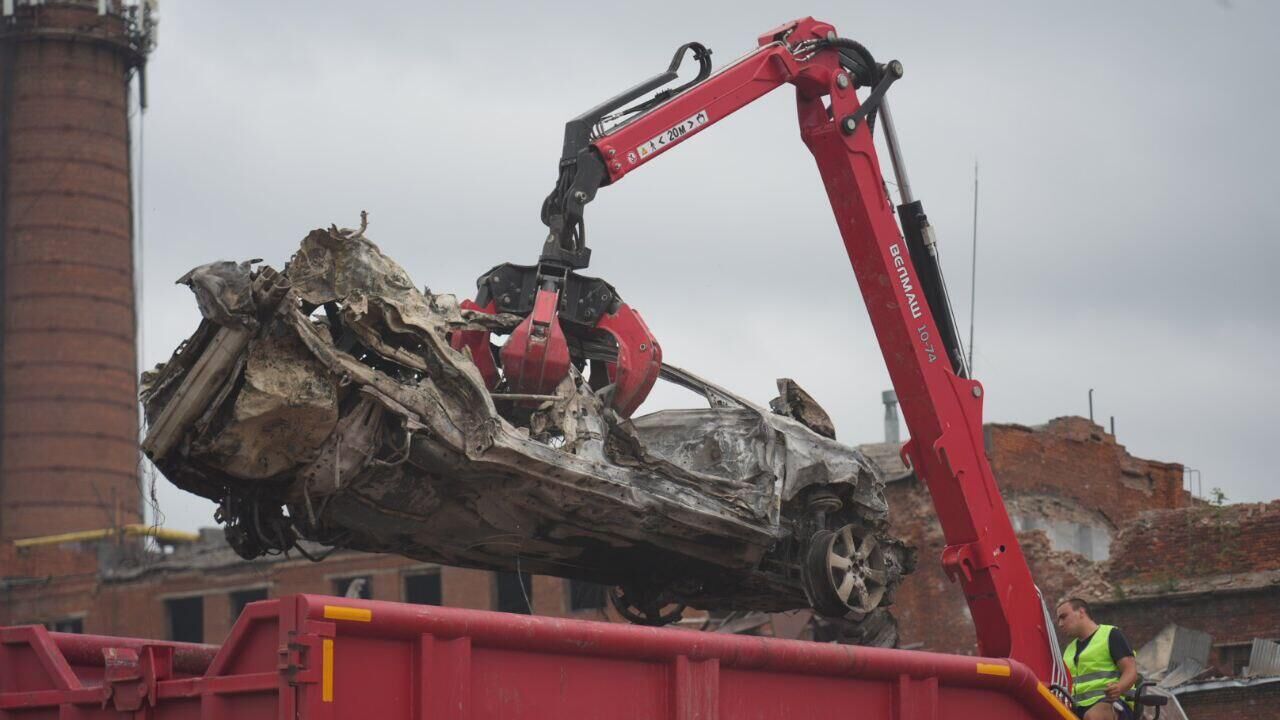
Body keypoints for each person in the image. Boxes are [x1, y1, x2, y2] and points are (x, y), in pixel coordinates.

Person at [1055, 598, 1139, 719]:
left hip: (1112, 704)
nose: (1060, 624)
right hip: (1076, 708)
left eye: (1064, 617)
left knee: (1093, 716)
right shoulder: (1068, 650)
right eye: (1058, 620)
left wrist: (1119, 687)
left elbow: (1131, 671)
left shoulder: (1110, 634)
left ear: (1081, 612)